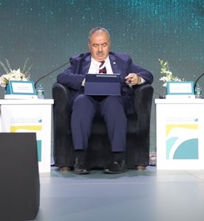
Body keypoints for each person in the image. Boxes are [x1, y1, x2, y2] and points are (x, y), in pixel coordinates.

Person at [56, 27, 153, 174]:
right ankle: (80, 160)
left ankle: (118, 160)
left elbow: (148, 74)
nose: (100, 50)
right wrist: (84, 81)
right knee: (81, 102)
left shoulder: (123, 60)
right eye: (96, 45)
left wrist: (138, 78)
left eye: (104, 45)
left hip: (114, 99)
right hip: (87, 99)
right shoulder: (79, 61)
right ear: (89, 46)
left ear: (109, 44)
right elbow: (62, 77)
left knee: (113, 102)